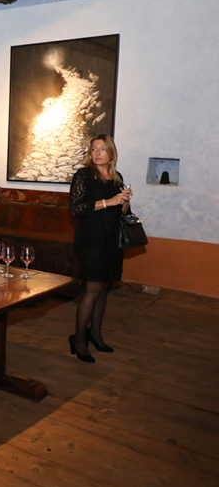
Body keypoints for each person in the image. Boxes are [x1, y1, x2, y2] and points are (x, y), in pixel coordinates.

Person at [69, 134, 132, 363]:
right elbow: (76, 208)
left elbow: (123, 212)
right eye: (94, 149)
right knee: (92, 289)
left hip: (111, 240)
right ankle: (79, 340)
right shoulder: (83, 175)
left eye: (102, 149)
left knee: (104, 288)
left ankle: (95, 334)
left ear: (111, 153)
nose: (97, 153)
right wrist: (109, 202)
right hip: (91, 240)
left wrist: (124, 200)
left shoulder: (117, 177)